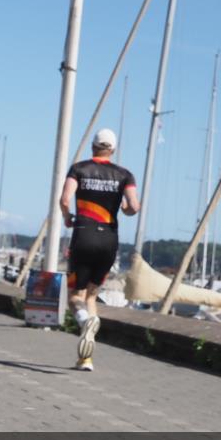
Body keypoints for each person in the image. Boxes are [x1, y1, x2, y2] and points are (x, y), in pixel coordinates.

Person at [59, 128, 140, 372]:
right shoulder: (125, 175)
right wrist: (123, 207)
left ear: (93, 146)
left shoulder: (79, 169)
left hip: (83, 235)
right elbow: (133, 207)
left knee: (75, 297)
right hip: (109, 241)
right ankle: (86, 358)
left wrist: (67, 217)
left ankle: (84, 321)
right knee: (92, 295)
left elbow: (64, 199)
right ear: (112, 149)